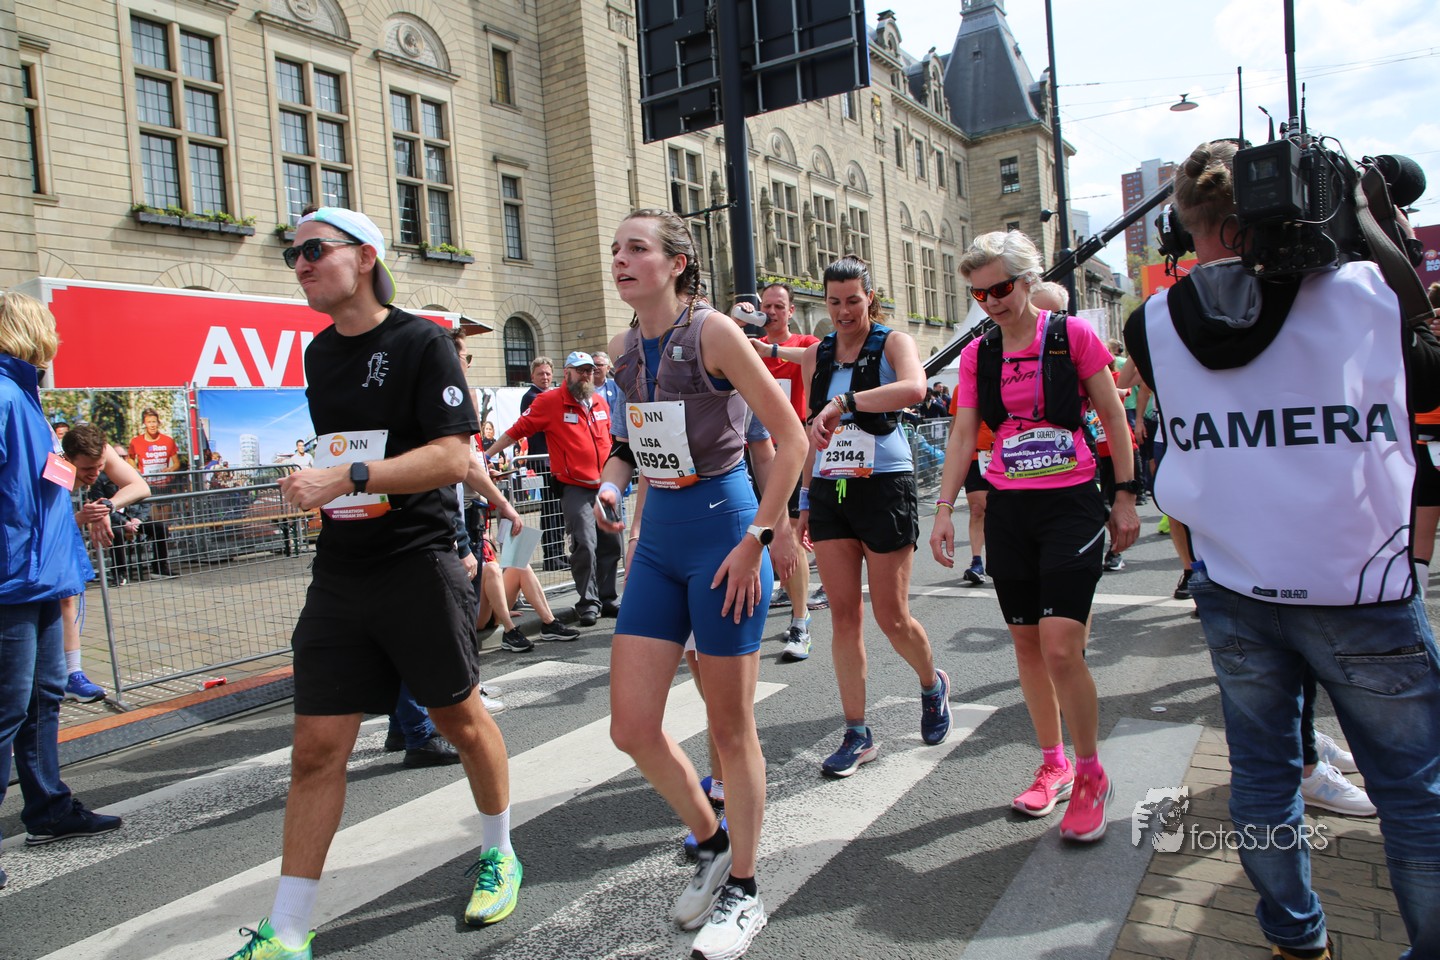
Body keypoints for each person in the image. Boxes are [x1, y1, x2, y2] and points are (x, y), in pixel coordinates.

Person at [1124, 139, 1440, 959]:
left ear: (1189, 226)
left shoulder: (1150, 324)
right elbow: (1429, 375)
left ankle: (1296, 942)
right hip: (1359, 583)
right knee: (1414, 793)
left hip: (1237, 581)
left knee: (1264, 781)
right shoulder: (1364, 293)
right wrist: (1372, 230)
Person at [220, 207, 522, 960]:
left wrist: (346, 476)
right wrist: (313, 486)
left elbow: (452, 457)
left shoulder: (421, 342)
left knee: (460, 722)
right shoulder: (320, 354)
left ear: (364, 257)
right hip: (341, 571)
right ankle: (289, 929)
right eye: (292, 254)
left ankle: (499, 851)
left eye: (313, 250)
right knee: (316, 750)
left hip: (417, 562)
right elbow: (340, 456)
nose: (300, 264)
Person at [596, 208, 805, 960]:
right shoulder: (624, 347)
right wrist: (611, 485)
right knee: (631, 726)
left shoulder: (715, 332)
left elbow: (791, 439)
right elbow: (628, 443)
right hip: (659, 538)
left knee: (729, 728)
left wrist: (759, 541)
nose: (621, 260)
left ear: (678, 263)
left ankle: (746, 889)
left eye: (637, 248)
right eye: (616, 249)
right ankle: (713, 842)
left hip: (724, 533)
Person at [930, 230, 1139, 843]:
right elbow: (963, 434)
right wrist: (943, 509)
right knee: (1026, 646)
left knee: (1060, 647)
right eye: (979, 293)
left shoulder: (1071, 336)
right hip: (1010, 509)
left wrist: (1125, 496)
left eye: (999, 288)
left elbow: (1114, 416)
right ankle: (1055, 763)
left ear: (1027, 281)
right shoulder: (980, 354)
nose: (990, 302)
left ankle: (1092, 772)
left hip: (1070, 505)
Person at [797, 255, 951, 784]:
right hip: (830, 488)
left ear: (870, 299)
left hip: (884, 485)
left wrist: (846, 400)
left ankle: (931, 685)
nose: (843, 311)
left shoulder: (892, 342)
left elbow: (915, 388)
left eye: (853, 301)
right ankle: (856, 732)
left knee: (892, 616)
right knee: (843, 617)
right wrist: (803, 501)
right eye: (834, 302)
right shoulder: (817, 354)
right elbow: (811, 432)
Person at [1, 293, 123, 891]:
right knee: (6, 710)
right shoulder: (6, 396)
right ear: (28, 331)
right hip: (12, 582)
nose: (58, 337)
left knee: (43, 697)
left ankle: (48, 807)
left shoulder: (23, 396)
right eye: (50, 327)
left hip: (41, 577)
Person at [486, 352, 622, 626]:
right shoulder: (549, 401)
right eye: (580, 370)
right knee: (584, 543)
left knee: (612, 544)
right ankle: (588, 602)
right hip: (575, 487)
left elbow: (611, 438)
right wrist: (486, 456)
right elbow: (517, 430)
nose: (586, 375)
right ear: (567, 372)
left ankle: (607, 598)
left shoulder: (599, 402)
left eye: (589, 370)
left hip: (604, 486)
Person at [748, 281, 821, 657]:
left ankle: (799, 620)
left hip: (791, 452)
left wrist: (771, 350)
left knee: (789, 534)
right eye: (767, 306)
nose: (772, 312)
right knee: (753, 534)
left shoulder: (804, 343)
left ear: (791, 310)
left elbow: (816, 356)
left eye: (779, 306)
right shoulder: (749, 349)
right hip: (752, 451)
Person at [60, 423, 151, 701]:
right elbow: (39, 520)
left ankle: (72, 673)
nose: (95, 473)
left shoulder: (102, 450)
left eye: (99, 466)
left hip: (61, 530)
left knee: (67, 598)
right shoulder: (52, 462)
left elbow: (140, 486)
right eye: (87, 469)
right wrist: (80, 518)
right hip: (38, 536)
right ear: (68, 458)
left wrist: (106, 507)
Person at [519, 355, 566, 570]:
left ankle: (558, 552)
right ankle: (551, 555)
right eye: (540, 374)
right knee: (550, 508)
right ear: (532, 376)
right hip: (544, 461)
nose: (545, 377)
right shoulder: (532, 397)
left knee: (557, 509)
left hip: (555, 460)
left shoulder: (549, 395)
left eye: (547, 373)